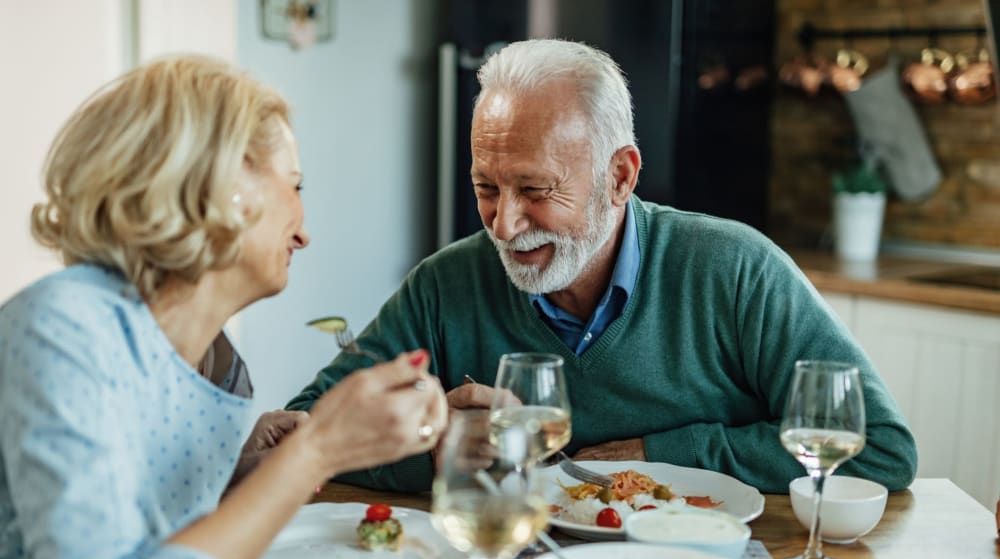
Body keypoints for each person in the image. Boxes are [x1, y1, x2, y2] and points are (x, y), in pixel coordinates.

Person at [288, 38, 917, 495]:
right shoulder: (445, 284)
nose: (504, 226)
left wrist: (667, 457)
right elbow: (305, 435)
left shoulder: (736, 269)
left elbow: (880, 449)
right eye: (486, 187)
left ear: (619, 176)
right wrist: (438, 450)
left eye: (536, 191)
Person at [0, 55, 447, 559]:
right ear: (222, 187)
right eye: (294, 184)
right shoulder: (64, 328)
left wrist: (245, 472)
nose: (305, 231)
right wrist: (318, 449)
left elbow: (150, 528)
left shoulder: (217, 358)